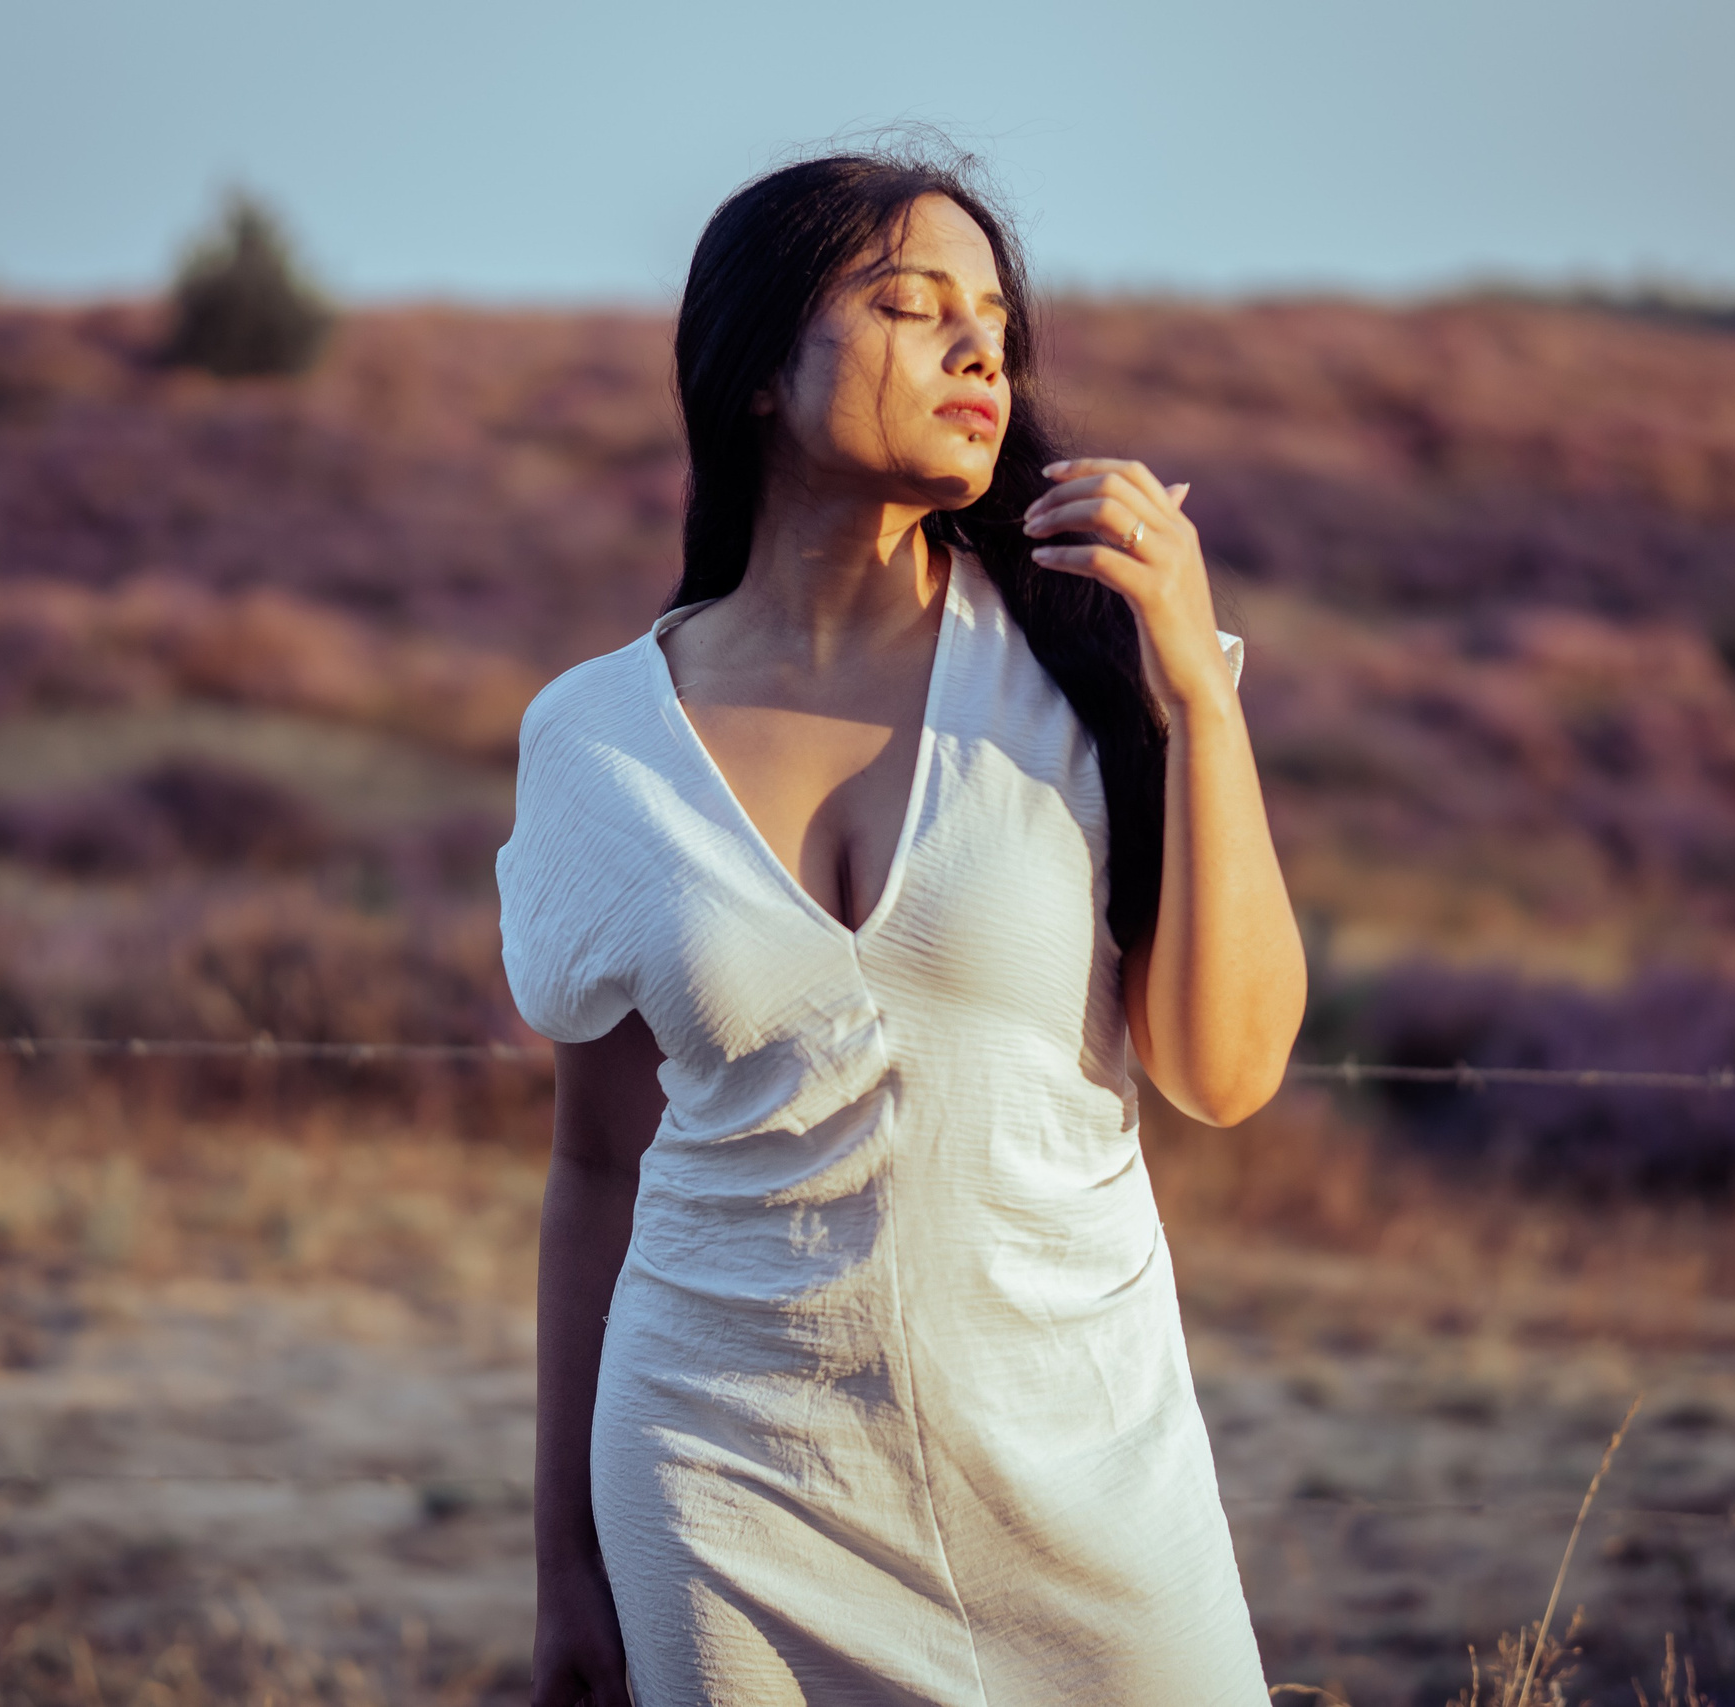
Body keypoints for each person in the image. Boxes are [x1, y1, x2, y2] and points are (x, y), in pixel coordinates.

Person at [498, 148, 1307, 1706]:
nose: (978, 350)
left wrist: (1199, 695)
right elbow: (596, 1163)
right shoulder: (596, 742)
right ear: (752, 370)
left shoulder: (1094, 671)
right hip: (726, 1492)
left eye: (993, 318)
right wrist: (567, 1569)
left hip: (1089, 1494)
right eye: (908, 306)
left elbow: (1228, 1070)